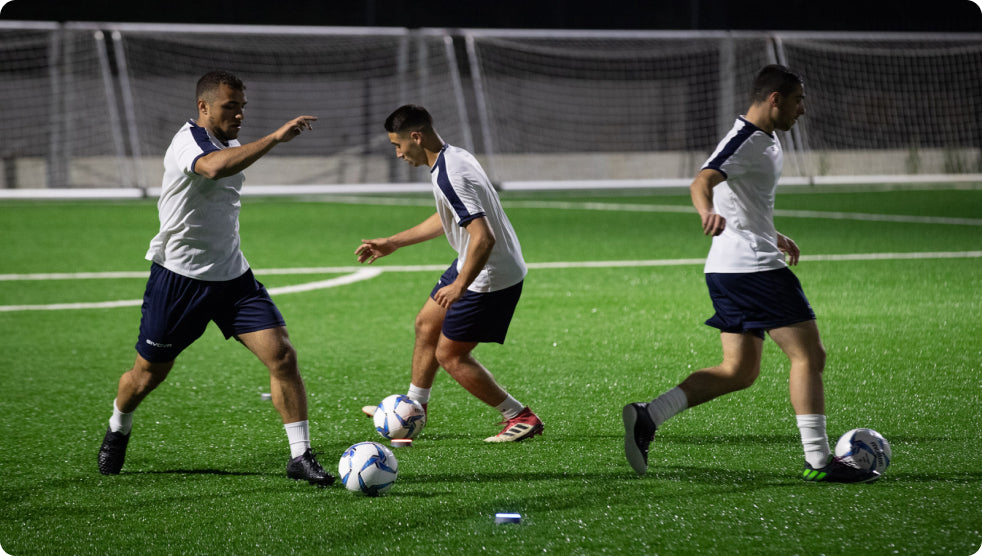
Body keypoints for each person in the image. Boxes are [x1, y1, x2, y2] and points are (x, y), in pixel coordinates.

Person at [623, 65, 879, 483]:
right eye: (798, 100)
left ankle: (648, 416)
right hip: (752, 269)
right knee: (809, 356)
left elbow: (739, 195)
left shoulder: (763, 139)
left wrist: (769, 231)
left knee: (739, 371)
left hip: (730, 268)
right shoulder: (745, 139)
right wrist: (706, 211)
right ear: (775, 98)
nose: (803, 109)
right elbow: (702, 181)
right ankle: (818, 461)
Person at [97, 70, 334, 486]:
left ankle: (300, 455)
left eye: (242, 107)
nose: (239, 114)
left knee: (282, 357)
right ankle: (119, 426)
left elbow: (225, 164)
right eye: (231, 106)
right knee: (147, 375)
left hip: (233, 279)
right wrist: (276, 138)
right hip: (179, 281)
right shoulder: (189, 142)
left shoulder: (229, 141)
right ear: (203, 107)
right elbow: (212, 169)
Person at [355, 104, 543, 442]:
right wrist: (393, 242)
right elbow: (449, 218)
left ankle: (520, 416)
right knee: (427, 323)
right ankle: (413, 408)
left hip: (489, 276)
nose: (398, 153)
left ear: (416, 136)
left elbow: (484, 237)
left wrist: (460, 285)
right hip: (472, 263)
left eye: (398, 145)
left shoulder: (451, 173)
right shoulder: (452, 157)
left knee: (450, 355)